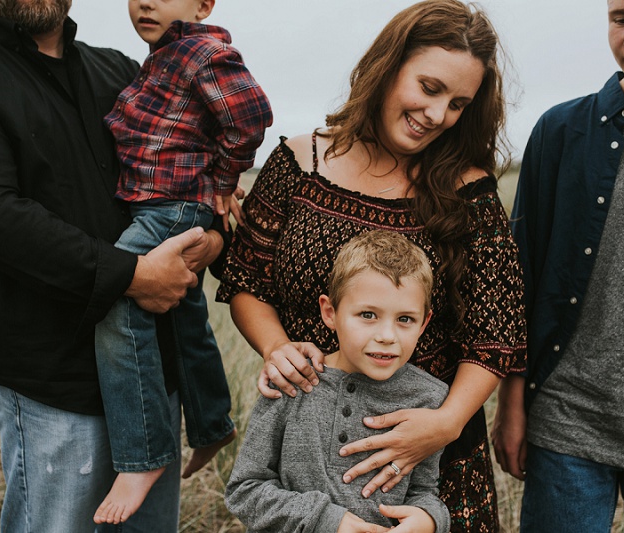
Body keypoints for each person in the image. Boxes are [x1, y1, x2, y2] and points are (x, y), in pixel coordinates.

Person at [0, 1, 225, 531]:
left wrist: (211, 242)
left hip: (149, 375)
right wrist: (135, 276)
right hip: (50, 378)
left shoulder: (121, 69)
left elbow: (186, 173)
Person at [217, 1, 527, 531]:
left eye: (457, 104)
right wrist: (276, 349)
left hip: (431, 459)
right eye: (429, 88)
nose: (437, 115)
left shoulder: (469, 190)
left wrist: (444, 424)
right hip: (308, 445)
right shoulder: (298, 163)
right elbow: (247, 280)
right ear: (387, 68)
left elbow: (496, 334)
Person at [491, 0, 624, 530]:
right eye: (619, 17)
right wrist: (512, 405)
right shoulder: (562, 131)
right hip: (567, 426)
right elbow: (523, 279)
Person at [93, 0, 272, 524]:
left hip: (173, 206)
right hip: (161, 204)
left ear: (203, 4)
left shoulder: (200, 51)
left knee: (115, 294)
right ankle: (214, 423)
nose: (146, 1)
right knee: (183, 316)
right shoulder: (160, 57)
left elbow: (252, 114)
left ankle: (143, 456)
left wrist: (221, 181)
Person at [225, 230, 451, 533]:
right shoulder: (291, 380)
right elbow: (245, 490)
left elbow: (423, 492)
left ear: (424, 322)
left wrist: (430, 519)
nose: (387, 336)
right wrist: (328, 521)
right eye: (368, 314)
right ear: (330, 312)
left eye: (405, 319)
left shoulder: (428, 398)